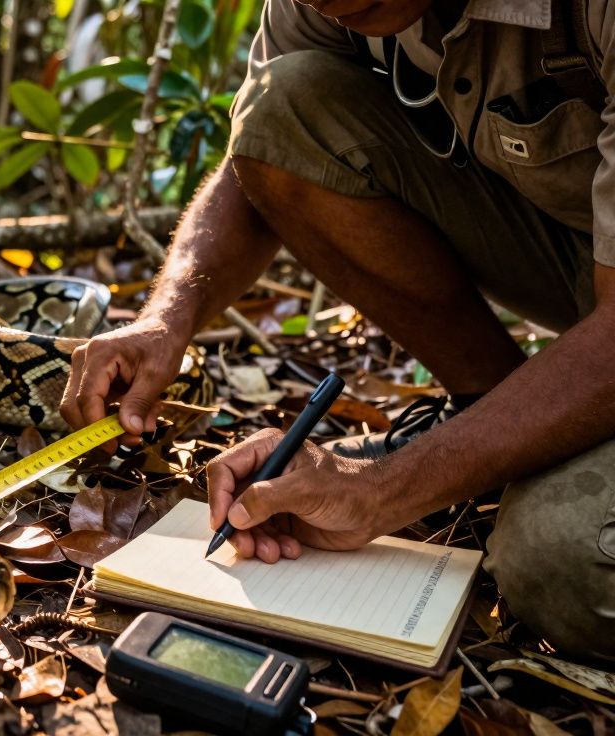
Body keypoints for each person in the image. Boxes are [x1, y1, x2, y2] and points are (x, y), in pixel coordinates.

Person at [59, 0, 615, 661]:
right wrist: (165, 320)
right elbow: (262, 145)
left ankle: (521, 453)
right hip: (584, 258)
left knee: (554, 557)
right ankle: (493, 422)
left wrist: (382, 489)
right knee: (285, 101)